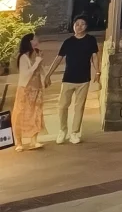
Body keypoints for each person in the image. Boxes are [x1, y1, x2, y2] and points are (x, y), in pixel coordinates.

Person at [44, 15, 99, 144]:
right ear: (73, 26)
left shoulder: (90, 40)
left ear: (86, 26)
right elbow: (58, 58)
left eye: (82, 24)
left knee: (79, 107)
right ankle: (63, 130)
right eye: (77, 24)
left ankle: (74, 132)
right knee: (62, 106)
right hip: (68, 78)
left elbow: (95, 56)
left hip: (84, 79)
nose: (79, 26)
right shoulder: (68, 42)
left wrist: (98, 71)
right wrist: (48, 74)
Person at [10, 33, 46, 150]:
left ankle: (33, 141)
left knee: (36, 113)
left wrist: (45, 78)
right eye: (34, 39)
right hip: (25, 89)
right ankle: (19, 142)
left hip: (36, 88)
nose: (37, 40)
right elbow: (26, 74)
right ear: (29, 42)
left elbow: (40, 70)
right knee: (20, 114)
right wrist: (37, 62)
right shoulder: (23, 57)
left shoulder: (36, 53)